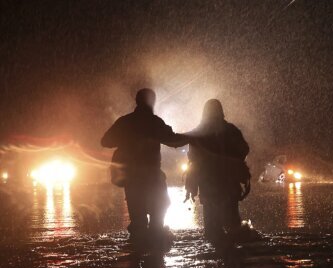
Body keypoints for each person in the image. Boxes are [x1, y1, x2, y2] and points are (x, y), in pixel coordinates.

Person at [101, 88, 188, 241]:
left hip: (132, 179)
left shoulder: (125, 122)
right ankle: (155, 257)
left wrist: (125, 138)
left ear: (137, 101)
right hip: (153, 177)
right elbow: (174, 141)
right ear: (152, 102)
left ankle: (137, 253)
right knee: (158, 216)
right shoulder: (155, 122)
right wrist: (194, 137)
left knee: (138, 221)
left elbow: (105, 141)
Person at [185, 99, 250, 242]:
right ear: (221, 111)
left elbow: (193, 161)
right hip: (229, 184)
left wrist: (191, 185)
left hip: (208, 185)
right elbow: (244, 149)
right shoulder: (231, 130)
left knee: (212, 230)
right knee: (233, 225)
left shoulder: (199, 132)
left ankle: (214, 259)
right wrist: (233, 161)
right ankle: (234, 259)